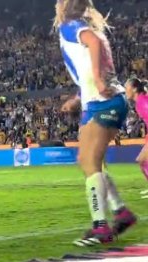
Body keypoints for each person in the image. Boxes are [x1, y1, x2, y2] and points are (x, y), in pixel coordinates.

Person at [55, 0, 136, 246]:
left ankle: (101, 226)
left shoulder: (71, 26)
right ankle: (120, 212)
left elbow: (93, 43)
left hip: (103, 101)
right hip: (100, 100)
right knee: (89, 162)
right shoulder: (85, 26)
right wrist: (79, 98)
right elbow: (89, 66)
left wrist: (99, 83)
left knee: (90, 163)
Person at [125, 78, 148, 198]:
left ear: (134, 89)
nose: (125, 91)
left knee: (142, 160)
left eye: (126, 88)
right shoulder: (140, 102)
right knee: (142, 161)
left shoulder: (142, 103)